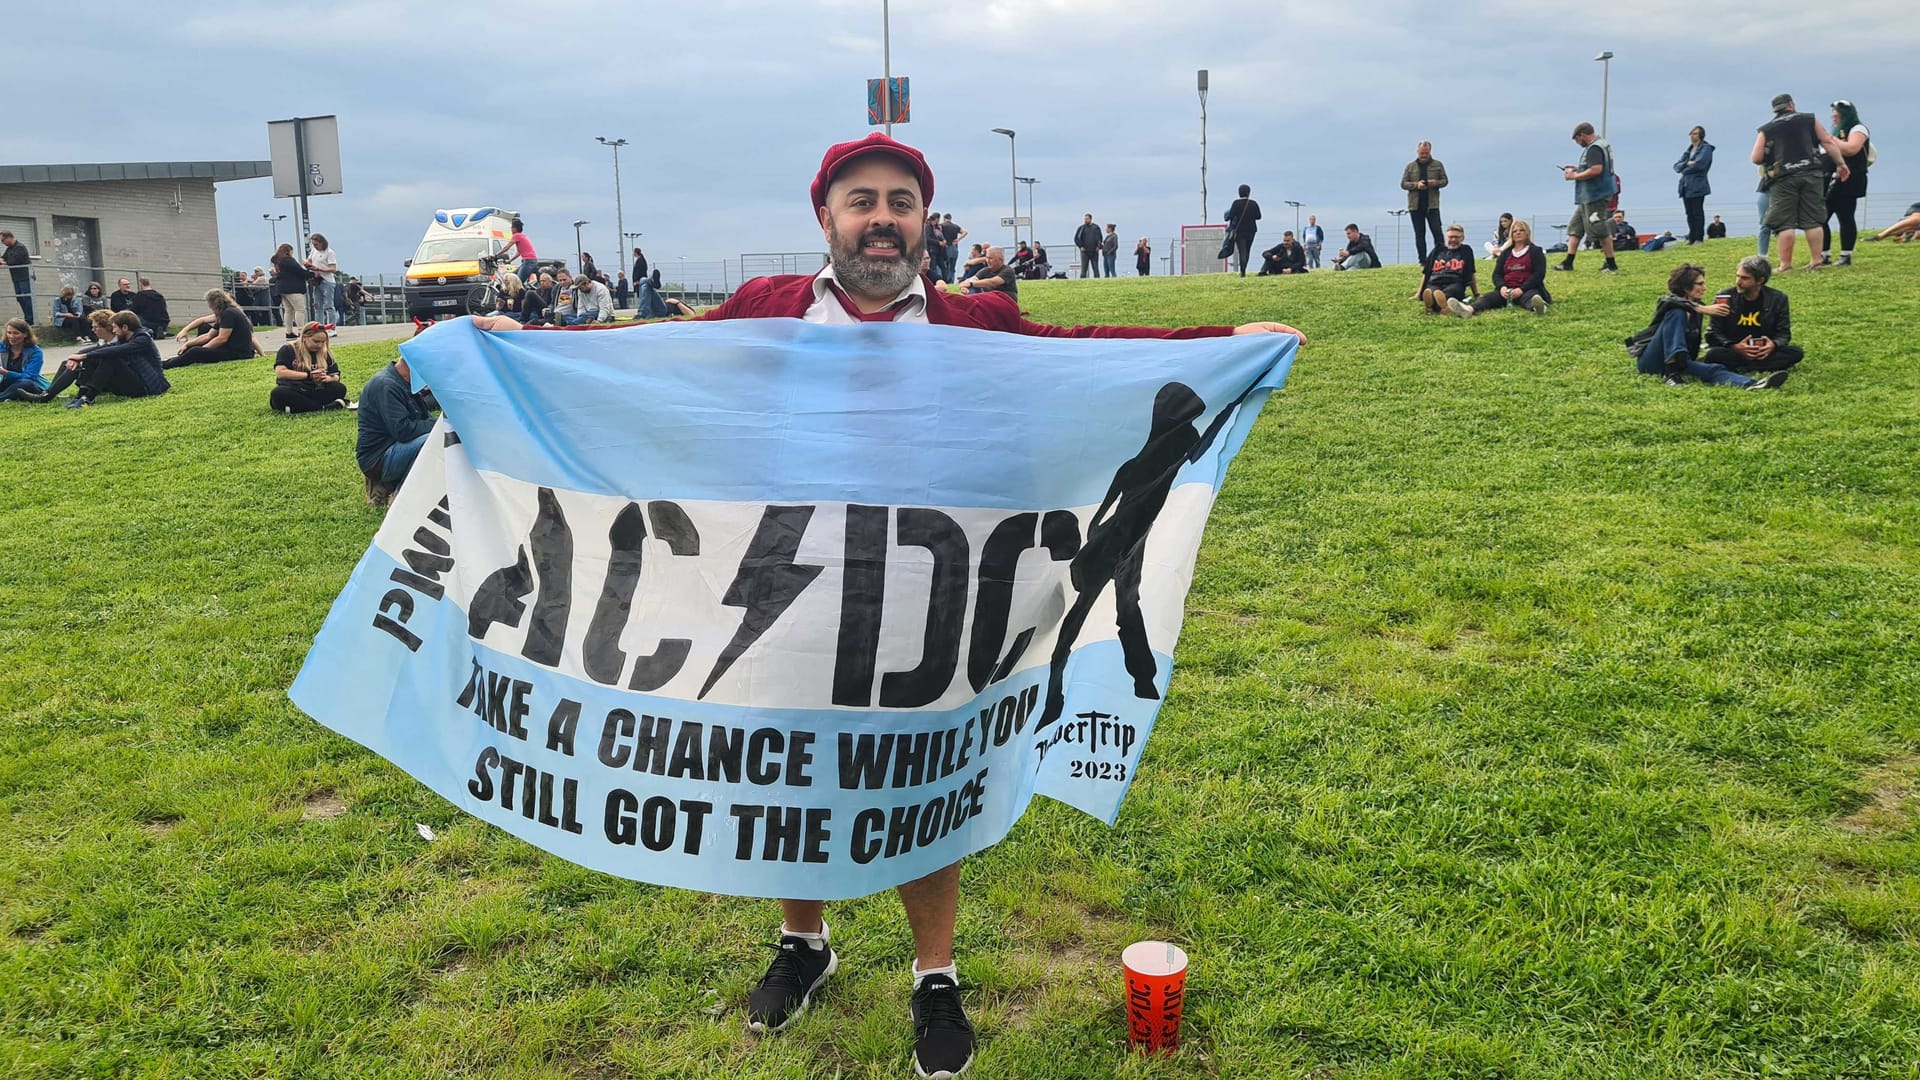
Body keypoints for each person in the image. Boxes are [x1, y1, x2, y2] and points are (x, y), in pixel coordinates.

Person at [468, 130, 1304, 1080]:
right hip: (778, 580)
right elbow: (653, 359)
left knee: (919, 773)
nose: (881, 220)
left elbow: (1092, 358)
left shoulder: (975, 323)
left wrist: (1226, 347)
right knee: (786, 763)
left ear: (923, 223)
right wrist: (523, 349)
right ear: (825, 216)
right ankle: (803, 944)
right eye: (861, 201)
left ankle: (935, 974)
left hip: (925, 589)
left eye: (900, 203)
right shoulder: (767, 309)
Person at [1629, 262, 1786, 390]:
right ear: (1685, 286)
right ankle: (1670, 374)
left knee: (1713, 369)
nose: (1704, 288)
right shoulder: (1671, 304)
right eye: (1700, 284)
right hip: (1652, 362)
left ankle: (1752, 384)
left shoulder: (1698, 308)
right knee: (1677, 311)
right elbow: (1668, 300)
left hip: (1682, 361)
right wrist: (1702, 309)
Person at [1752, 93, 1850, 272]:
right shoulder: (1809, 119)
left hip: (1783, 177)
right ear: (1791, 104)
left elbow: (1756, 157)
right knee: (1813, 219)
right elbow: (1827, 141)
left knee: (1785, 223)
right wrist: (1841, 164)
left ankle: (1785, 265)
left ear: (1775, 109)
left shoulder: (1767, 129)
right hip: (1811, 173)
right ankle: (1816, 261)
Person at [28, 310, 170, 407]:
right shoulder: (125, 337)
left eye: (115, 327)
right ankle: (82, 395)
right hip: (133, 382)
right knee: (96, 357)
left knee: (110, 357)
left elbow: (117, 350)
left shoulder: (142, 339)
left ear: (125, 327)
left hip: (149, 387)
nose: (113, 330)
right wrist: (78, 356)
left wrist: (83, 355)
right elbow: (100, 349)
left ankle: (88, 397)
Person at [356, 353, 439, 504]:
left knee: (437, 437)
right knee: (430, 441)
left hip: (391, 450)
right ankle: (400, 496)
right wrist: (439, 425)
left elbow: (423, 418)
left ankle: (388, 486)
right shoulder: (386, 386)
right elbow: (403, 431)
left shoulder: (403, 382)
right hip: (378, 458)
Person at [1703, 256, 1802, 372]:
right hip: (1734, 348)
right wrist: (1733, 346)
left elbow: (1783, 333)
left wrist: (1773, 345)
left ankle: (1744, 367)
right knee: (1713, 354)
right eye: (1738, 276)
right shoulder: (1725, 297)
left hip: (1762, 350)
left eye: (1745, 278)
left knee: (1796, 352)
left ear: (1760, 280)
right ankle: (1759, 367)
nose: (1738, 282)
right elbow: (1714, 331)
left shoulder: (1778, 299)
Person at [1450, 219, 1548, 317]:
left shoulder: (1535, 251)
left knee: (1531, 297)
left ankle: (1538, 307)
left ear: (1527, 233)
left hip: (1527, 289)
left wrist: (1521, 289)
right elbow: (1497, 274)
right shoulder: (1506, 253)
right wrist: (1502, 287)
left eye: (1521, 230)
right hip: (1507, 290)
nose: (1518, 233)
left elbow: (1538, 275)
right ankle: (1468, 309)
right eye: (1514, 231)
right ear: (1511, 235)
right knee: (1488, 298)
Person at [1556, 122, 1619, 273]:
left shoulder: (1595, 148)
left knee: (1599, 229)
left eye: (1578, 140)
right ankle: (1568, 262)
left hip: (1595, 195)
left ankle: (1611, 264)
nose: (1579, 143)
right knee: (1575, 227)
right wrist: (1580, 169)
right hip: (1587, 197)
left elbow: (1596, 170)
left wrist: (1574, 176)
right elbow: (1593, 167)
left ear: (1582, 136)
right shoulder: (1602, 144)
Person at [1820, 100, 1871, 267]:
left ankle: (1846, 255)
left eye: (1837, 115)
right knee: (1821, 217)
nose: (1834, 118)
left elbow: (1851, 149)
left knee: (1846, 216)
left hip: (1850, 179)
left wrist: (1830, 139)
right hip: (1830, 179)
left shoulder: (1858, 129)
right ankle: (1824, 254)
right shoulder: (1835, 132)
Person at [271, 322, 351, 413]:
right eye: (316, 341)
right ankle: (323, 407)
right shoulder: (288, 349)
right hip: (294, 388)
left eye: (323, 342)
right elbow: (280, 372)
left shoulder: (325, 352)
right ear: (304, 337)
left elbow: (336, 376)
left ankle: (299, 407)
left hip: (316, 389)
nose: (320, 345)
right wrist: (307, 375)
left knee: (339, 388)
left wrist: (328, 378)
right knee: (278, 393)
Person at [166, 289, 257, 367]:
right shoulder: (223, 313)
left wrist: (203, 350)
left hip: (239, 353)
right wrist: (189, 344)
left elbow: (222, 339)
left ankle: (167, 365)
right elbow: (209, 335)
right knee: (193, 348)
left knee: (195, 351)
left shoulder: (229, 313)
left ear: (214, 303)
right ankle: (169, 361)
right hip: (230, 349)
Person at [1400, 141, 1449, 264]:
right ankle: (1422, 260)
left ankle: (1441, 258)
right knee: (1419, 234)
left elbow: (1445, 181)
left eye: (1426, 153)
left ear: (1430, 151)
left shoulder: (1438, 165)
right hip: (1415, 206)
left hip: (1432, 205)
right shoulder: (1410, 167)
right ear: (1417, 151)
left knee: (1437, 231)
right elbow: (1403, 184)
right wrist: (1416, 185)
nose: (1424, 155)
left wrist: (1435, 183)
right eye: (1422, 153)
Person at [1419, 224, 1476, 314]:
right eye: (1450, 237)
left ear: (1462, 238)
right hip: (1435, 281)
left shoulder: (1466, 250)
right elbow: (1426, 272)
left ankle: (1432, 306)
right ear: (1446, 237)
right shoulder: (1437, 250)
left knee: (1451, 292)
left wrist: (1476, 293)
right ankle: (1440, 306)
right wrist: (1419, 293)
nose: (1453, 240)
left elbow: (1471, 272)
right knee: (1431, 291)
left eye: (1456, 237)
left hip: (1455, 282)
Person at [1674, 126, 1714, 244]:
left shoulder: (1705, 149)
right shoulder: (1689, 150)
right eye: (1691, 133)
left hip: (1697, 185)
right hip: (1685, 186)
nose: (1692, 136)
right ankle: (1691, 237)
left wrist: (1685, 168)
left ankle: (1698, 237)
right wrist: (1687, 163)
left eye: (1695, 133)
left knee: (1697, 212)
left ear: (1701, 135)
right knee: (1689, 213)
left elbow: (1700, 165)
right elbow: (1677, 166)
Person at [0, 318, 48, 401]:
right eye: (9, 333)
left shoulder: (35, 352)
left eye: (16, 333)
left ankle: (3, 397)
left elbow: (29, 377)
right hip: (6, 382)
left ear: (25, 334)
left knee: (26, 383)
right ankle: (9, 396)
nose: (11, 336)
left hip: (27, 384)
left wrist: (5, 372)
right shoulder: (2, 347)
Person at [947, 245, 1017, 299]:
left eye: (991, 258)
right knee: (971, 289)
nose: (988, 261)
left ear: (1001, 260)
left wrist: (970, 284)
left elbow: (993, 282)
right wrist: (964, 286)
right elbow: (972, 279)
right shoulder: (985, 270)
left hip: (1005, 301)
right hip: (990, 300)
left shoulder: (1008, 270)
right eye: (987, 258)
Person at [1223, 184, 1261, 277]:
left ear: (1239, 193)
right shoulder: (1253, 203)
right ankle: (1244, 268)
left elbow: (1230, 216)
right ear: (1249, 193)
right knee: (1248, 250)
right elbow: (1258, 216)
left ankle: (1242, 271)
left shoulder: (1236, 203)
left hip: (1239, 230)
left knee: (1242, 250)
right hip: (1251, 230)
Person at [272, 243, 309, 336]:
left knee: (288, 310)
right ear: (288, 251)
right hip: (293, 288)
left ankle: (289, 331)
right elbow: (299, 271)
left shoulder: (278, 262)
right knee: (300, 309)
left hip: (282, 288)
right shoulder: (288, 260)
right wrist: (311, 274)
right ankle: (301, 330)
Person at [306, 234, 340, 331]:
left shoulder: (329, 253)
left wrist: (319, 269)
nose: (315, 246)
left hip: (327, 281)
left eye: (316, 244)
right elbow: (309, 260)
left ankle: (332, 328)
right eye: (313, 244)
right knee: (317, 306)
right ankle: (318, 327)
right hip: (317, 281)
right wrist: (308, 264)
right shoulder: (314, 251)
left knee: (329, 305)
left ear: (321, 242)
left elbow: (333, 268)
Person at [2, 230, 31, 324]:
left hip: (25, 277)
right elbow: (4, 258)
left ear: (9, 237)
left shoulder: (20, 247)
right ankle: (28, 319)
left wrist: (4, 261)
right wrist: (3, 260)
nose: (2, 243)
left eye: (3, 240)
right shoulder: (9, 248)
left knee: (26, 298)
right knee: (20, 298)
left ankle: (30, 320)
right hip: (16, 278)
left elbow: (12, 262)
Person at [496, 218, 537, 283]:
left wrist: (495, 255)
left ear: (515, 228)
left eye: (512, 228)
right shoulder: (522, 236)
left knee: (517, 283)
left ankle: (522, 292)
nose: (511, 229)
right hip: (529, 261)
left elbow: (506, 248)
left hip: (528, 262)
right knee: (512, 276)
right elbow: (519, 253)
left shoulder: (516, 235)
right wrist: (510, 260)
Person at [1074, 213, 1103, 278]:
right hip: (1085, 252)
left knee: (1095, 269)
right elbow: (1076, 238)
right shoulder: (1081, 228)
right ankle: (1082, 282)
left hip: (1094, 251)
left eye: (1087, 219)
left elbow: (1100, 238)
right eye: (1085, 219)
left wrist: (1098, 247)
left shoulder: (1096, 227)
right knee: (1084, 270)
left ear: (1090, 219)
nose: (1085, 220)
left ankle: (1097, 281)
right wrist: (1080, 246)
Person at [923, 211, 948, 284]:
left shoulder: (937, 227)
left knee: (943, 266)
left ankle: (944, 281)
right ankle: (933, 281)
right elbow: (927, 238)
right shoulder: (928, 226)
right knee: (933, 266)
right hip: (932, 249)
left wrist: (943, 241)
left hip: (939, 250)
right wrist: (938, 242)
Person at [940, 214, 965, 281]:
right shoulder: (955, 226)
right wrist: (958, 239)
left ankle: (946, 280)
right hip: (954, 248)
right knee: (952, 267)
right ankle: (952, 280)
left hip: (946, 247)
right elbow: (965, 232)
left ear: (944, 218)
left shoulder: (942, 225)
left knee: (945, 266)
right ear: (951, 218)